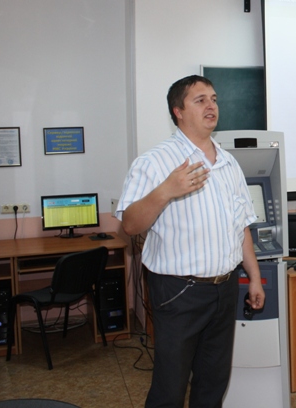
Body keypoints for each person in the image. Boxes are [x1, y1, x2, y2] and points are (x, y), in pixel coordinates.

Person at [116, 75, 265, 408]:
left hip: (225, 289)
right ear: (178, 111)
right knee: (170, 388)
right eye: (200, 100)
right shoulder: (155, 162)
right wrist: (166, 190)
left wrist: (253, 278)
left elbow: (241, 225)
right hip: (179, 292)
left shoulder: (228, 162)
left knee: (213, 382)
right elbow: (130, 224)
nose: (211, 106)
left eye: (214, 99)